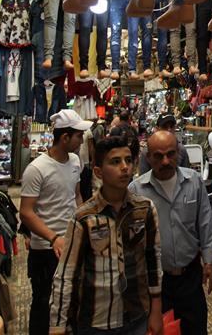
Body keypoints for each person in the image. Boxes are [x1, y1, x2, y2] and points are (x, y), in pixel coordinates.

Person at [50, 137, 163, 335]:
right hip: (96, 321)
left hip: (137, 316)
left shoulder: (144, 209)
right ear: (98, 172)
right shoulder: (84, 218)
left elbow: (153, 261)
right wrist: (58, 325)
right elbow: (67, 274)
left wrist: (156, 309)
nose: (125, 167)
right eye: (115, 161)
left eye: (128, 160)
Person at [130, 130, 212, 335]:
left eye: (171, 154)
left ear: (178, 153)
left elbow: (205, 223)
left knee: (195, 329)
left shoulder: (194, 181)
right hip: (157, 284)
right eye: (158, 156)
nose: (166, 161)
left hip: (191, 278)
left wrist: (210, 262)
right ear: (148, 157)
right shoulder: (137, 191)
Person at [21, 109, 87, 335]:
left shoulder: (76, 161)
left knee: (70, 299)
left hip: (71, 243)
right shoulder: (37, 169)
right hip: (46, 249)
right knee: (43, 303)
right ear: (65, 137)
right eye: (79, 135)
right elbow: (26, 213)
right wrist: (53, 238)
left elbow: (76, 195)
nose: (82, 140)